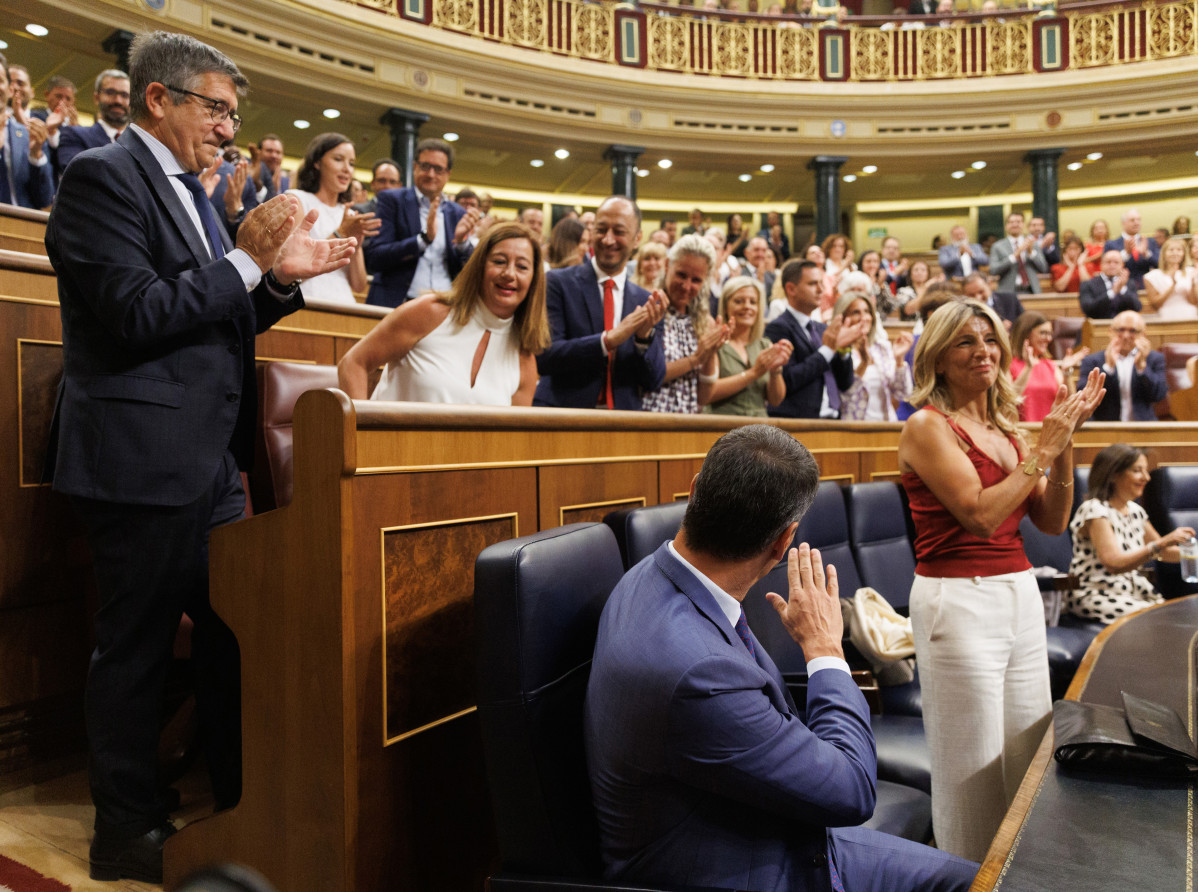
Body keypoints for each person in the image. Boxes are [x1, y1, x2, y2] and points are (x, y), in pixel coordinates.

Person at [44, 30, 356, 883]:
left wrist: (279, 279)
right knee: (137, 650)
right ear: (159, 99)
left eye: (231, 113)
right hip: (138, 459)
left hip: (209, 463)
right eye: (217, 108)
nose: (229, 128)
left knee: (236, 636)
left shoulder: (190, 192)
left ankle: (242, 804)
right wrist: (247, 260)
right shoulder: (100, 178)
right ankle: (127, 829)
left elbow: (217, 313)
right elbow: (138, 313)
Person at [585, 423, 980, 892]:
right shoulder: (700, 675)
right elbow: (852, 792)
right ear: (784, 541)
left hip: (756, 821)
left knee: (976, 879)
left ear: (694, 492)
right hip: (744, 866)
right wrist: (825, 650)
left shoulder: (649, 573)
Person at [897, 299, 1105, 860]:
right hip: (957, 600)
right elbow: (982, 515)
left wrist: (1061, 449)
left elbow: (1052, 521)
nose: (982, 351)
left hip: (1018, 593)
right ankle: (966, 874)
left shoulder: (1007, 431)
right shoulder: (926, 426)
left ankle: (1021, 872)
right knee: (972, 768)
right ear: (938, 359)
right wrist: (1043, 449)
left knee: (1028, 751)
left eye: (989, 339)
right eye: (965, 341)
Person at [339, 221, 547, 406]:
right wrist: (362, 436)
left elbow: (510, 440)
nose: (509, 274)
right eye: (499, 261)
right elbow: (353, 363)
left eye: (522, 267)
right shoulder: (429, 312)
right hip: (392, 449)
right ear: (479, 266)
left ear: (534, 280)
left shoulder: (524, 358)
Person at [533, 195, 667, 410]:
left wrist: (643, 340)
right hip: (562, 418)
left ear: (637, 238)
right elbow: (545, 356)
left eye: (619, 231)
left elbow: (654, 380)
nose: (608, 239)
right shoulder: (558, 283)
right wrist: (607, 340)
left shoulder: (645, 302)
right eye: (601, 229)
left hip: (621, 424)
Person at [1068, 444, 1196, 625]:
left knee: (1180, 619)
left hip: (1134, 592)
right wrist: (1163, 543)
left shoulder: (1135, 511)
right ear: (1113, 474)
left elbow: (1164, 553)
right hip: (1099, 594)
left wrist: (1194, 554)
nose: (1146, 477)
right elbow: (1114, 563)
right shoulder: (1095, 509)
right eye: (1137, 471)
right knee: (1164, 621)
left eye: (1145, 470)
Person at [364, 137, 481, 307]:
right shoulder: (392, 200)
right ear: (415, 167)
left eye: (438, 169)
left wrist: (462, 242)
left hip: (445, 306)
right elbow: (376, 257)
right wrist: (423, 240)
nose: (431, 174)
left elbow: (469, 271)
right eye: (425, 166)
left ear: (448, 174)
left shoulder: (457, 213)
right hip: (397, 303)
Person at [765, 259, 866, 419]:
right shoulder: (778, 328)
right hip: (797, 422)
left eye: (821, 283)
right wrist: (828, 350)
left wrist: (843, 351)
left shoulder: (822, 329)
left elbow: (845, 383)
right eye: (813, 284)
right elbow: (787, 380)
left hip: (833, 419)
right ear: (791, 289)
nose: (821, 290)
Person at [641, 235, 730, 414]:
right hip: (647, 421)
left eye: (696, 280)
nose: (686, 286)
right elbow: (647, 377)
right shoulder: (647, 308)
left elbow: (704, 397)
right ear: (667, 266)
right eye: (681, 275)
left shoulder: (706, 322)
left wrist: (709, 353)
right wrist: (696, 359)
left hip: (688, 427)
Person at [287, 133, 379, 303]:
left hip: (343, 304)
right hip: (304, 300)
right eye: (338, 159)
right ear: (317, 162)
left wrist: (356, 249)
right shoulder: (297, 200)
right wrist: (341, 233)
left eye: (351, 163)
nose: (347, 169)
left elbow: (359, 286)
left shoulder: (349, 213)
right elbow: (291, 270)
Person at [701, 276, 791, 416]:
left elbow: (776, 400)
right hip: (721, 426)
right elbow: (707, 393)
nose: (747, 306)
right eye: (739, 301)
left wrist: (775, 371)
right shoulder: (715, 343)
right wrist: (753, 373)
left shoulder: (765, 345)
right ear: (725, 306)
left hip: (759, 429)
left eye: (753, 302)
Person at [832, 290, 913, 421]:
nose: (864, 317)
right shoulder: (838, 351)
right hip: (853, 428)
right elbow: (847, 398)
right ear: (841, 317)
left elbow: (902, 393)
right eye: (855, 312)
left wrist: (899, 359)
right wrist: (864, 363)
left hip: (886, 425)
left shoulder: (881, 347)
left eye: (867, 311)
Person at [1076, 309, 1166, 422]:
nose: (1126, 336)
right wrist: (1108, 368)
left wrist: (1142, 368)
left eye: (1132, 331)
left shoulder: (1154, 359)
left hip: (1143, 428)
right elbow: (1085, 397)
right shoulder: (1092, 361)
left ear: (1143, 335)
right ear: (1110, 332)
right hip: (1106, 429)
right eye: (1121, 330)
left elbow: (1159, 395)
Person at [1007, 311, 1087, 422]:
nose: (1049, 339)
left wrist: (1067, 372)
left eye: (1050, 334)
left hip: (1051, 433)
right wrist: (1028, 368)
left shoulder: (1050, 365)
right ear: (1026, 334)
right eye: (1043, 333)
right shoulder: (1009, 365)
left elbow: (1070, 403)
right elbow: (1007, 401)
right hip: (1022, 432)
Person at [0, 55, 53, 208]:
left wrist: (36, 155)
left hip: (17, 228)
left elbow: (44, 199)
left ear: (10, 90)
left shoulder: (28, 135)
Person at [55, 69, 131, 176]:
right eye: (110, 93)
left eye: (124, 95)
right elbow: (75, 174)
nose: (118, 100)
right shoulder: (74, 135)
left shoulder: (141, 144)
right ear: (96, 98)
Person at [989, 211, 1047, 294]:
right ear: (1006, 226)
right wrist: (1014, 256)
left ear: (1023, 225)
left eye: (1018, 222)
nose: (1015, 225)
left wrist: (1031, 253)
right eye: (1011, 222)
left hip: (1031, 291)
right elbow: (993, 270)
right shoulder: (997, 246)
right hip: (1008, 292)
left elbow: (1043, 268)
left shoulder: (1032, 243)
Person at [1143, 236, 1198, 320]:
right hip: (1166, 316)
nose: (1175, 253)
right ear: (1164, 253)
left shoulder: (1191, 272)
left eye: (1179, 250)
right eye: (1171, 250)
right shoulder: (1152, 276)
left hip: (1190, 315)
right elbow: (1155, 305)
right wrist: (1173, 286)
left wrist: (1193, 283)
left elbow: (1194, 302)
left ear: (1184, 254)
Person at [1105, 208, 1159, 291]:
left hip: (1147, 288)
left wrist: (1146, 254)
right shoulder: (1111, 244)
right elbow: (1107, 268)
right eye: (1132, 220)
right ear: (1123, 223)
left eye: (1139, 220)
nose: (1136, 223)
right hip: (1122, 290)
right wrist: (1126, 254)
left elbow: (1159, 264)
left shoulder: (1150, 242)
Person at [1079, 249, 1140, 318]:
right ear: (1101, 264)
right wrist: (1112, 292)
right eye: (1108, 262)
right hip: (1098, 326)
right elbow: (1087, 309)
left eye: (1116, 262)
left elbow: (1137, 307)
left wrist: (1123, 289)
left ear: (1122, 265)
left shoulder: (1129, 283)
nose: (1112, 265)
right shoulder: (1088, 284)